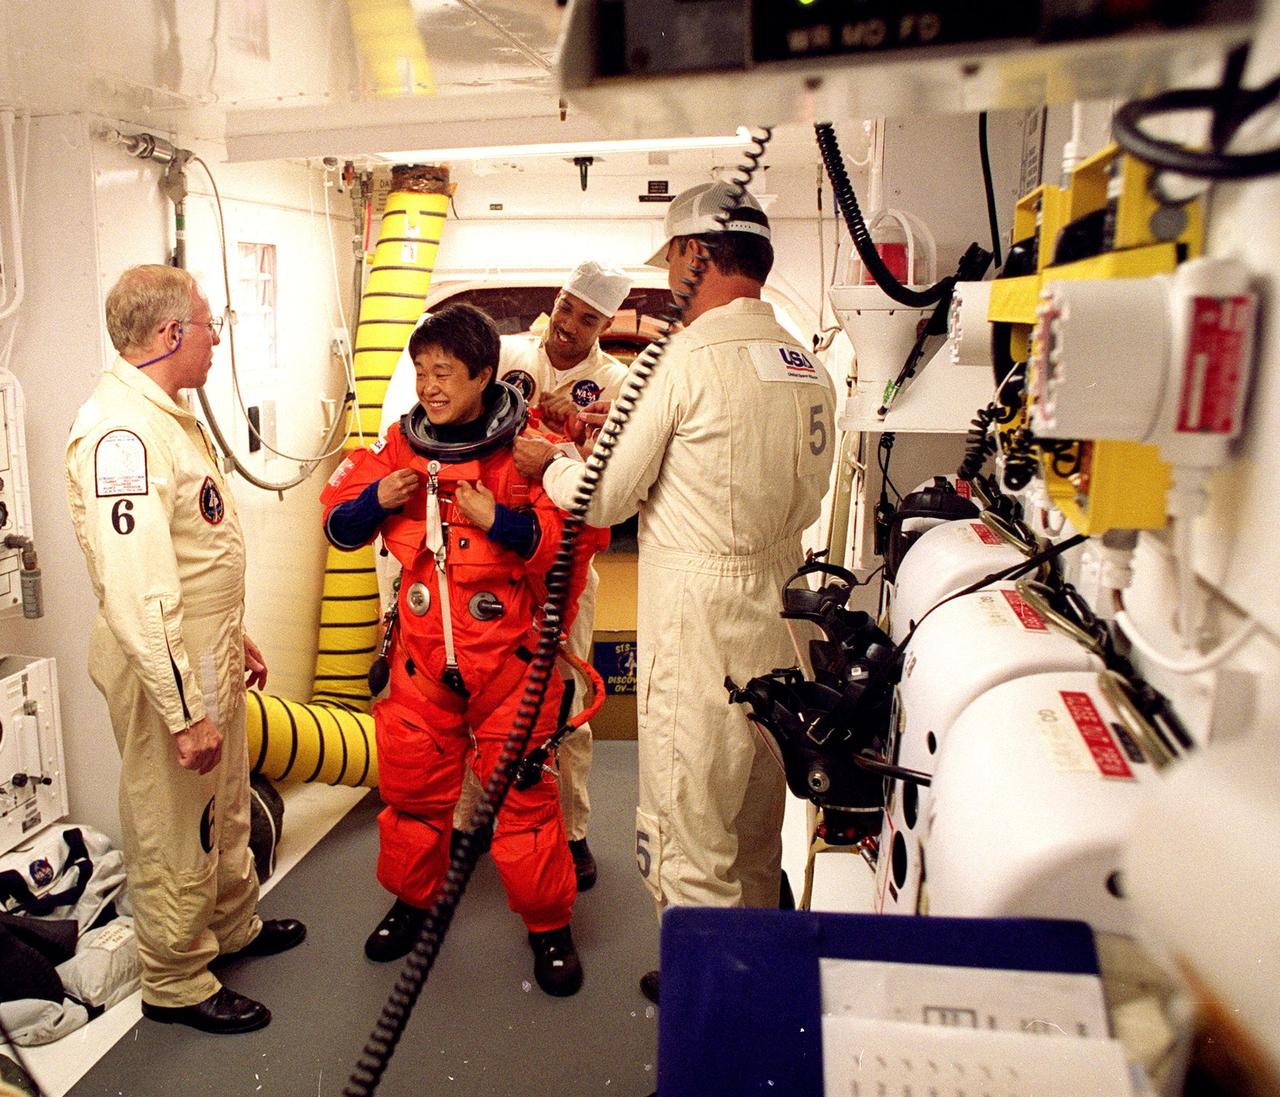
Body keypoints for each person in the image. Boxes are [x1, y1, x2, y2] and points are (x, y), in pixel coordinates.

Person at [513, 182, 837, 1005]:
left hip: (699, 628)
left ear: (698, 254)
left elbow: (604, 497)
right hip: (780, 621)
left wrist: (545, 465)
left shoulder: (680, 358)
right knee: (755, 829)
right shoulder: (808, 363)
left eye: (674, 265)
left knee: (690, 843)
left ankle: (713, 1042)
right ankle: (750, 992)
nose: (669, 285)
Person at [320, 303, 605, 997]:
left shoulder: (532, 451)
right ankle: (413, 904)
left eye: (443, 372)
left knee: (524, 801)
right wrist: (376, 499)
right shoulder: (400, 446)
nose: (429, 387)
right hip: (423, 664)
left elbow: (575, 542)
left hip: (510, 664)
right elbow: (339, 522)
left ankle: (548, 924)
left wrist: (499, 519)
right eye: (421, 373)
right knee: (414, 794)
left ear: (484, 373)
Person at [64, 265, 306, 1035]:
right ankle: (174, 976)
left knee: (226, 801)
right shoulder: (122, 436)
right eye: (209, 327)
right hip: (162, 668)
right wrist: (182, 712)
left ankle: (232, 926)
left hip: (202, 651)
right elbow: (139, 590)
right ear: (172, 334)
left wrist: (229, 635)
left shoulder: (166, 415)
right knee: (173, 819)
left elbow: (188, 553)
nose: (215, 339)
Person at [454, 259, 634, 891]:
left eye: (588, 319)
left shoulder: (621, 383)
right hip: (493, 551)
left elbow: (619, 478)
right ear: (555, 302)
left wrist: (572, 433)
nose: (569, 327)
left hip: (564, 561)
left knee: (564, 696)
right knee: (481, 690)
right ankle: (473, 821)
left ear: (605, 324)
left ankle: (571, 830)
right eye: (566, 309)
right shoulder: (505, 356)